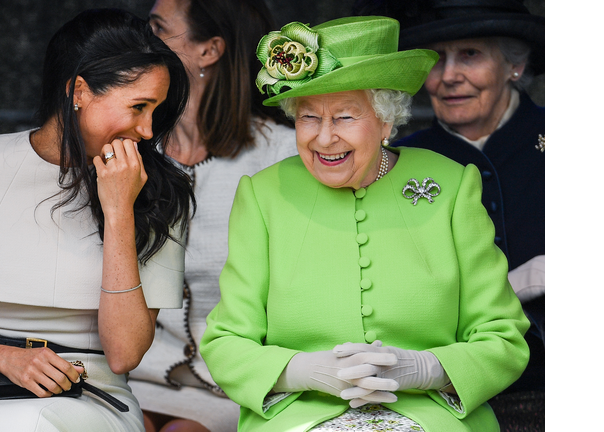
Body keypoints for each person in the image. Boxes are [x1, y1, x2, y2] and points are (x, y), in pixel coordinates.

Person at [200, 16, 530, 432]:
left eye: (344, 118)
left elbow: (503, 337)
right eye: (308, 117)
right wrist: (299, 371)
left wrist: (429, 369)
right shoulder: (264, 195)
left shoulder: (450, 185)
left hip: (434, 417)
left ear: (386, 122)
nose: (323, 138)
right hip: (297, 419)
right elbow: (226, 341)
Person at [0, 9, 194, 432]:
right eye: (138, 106)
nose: (149, 130)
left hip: (92, 395)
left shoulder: (160, 189)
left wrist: (118, 212)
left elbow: (124, 354)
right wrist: (3, 358)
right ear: (79, 91)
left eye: (156, 110)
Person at [353, 0, 545, 426]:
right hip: (438, 386)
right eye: (437, 60)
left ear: (515, 64)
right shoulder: (395, 160)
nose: (449, 76)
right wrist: (523, 280)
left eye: (470, 55)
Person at [125, 1, 297, 432]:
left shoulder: (282, 154)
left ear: (209, 50)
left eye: (158, 27)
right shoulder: (134, 147)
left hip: (234, 380)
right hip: (136, 376)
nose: (141, 39)